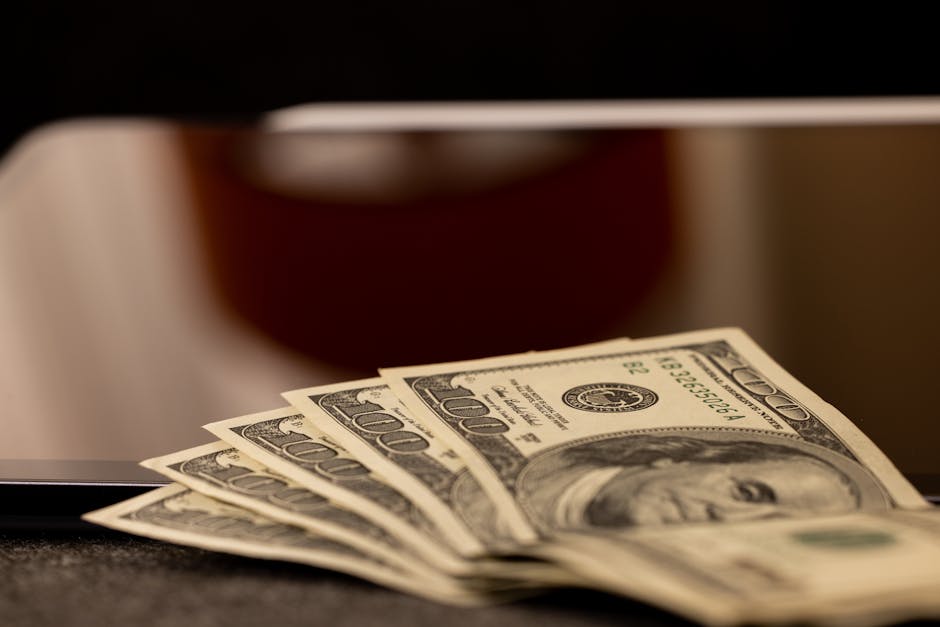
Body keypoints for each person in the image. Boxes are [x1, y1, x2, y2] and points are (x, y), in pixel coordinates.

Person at [514, 430, 884, 533]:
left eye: (765, 528)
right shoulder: (541, 477)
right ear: (680, 459)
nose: (730, 521)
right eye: (747, 493)